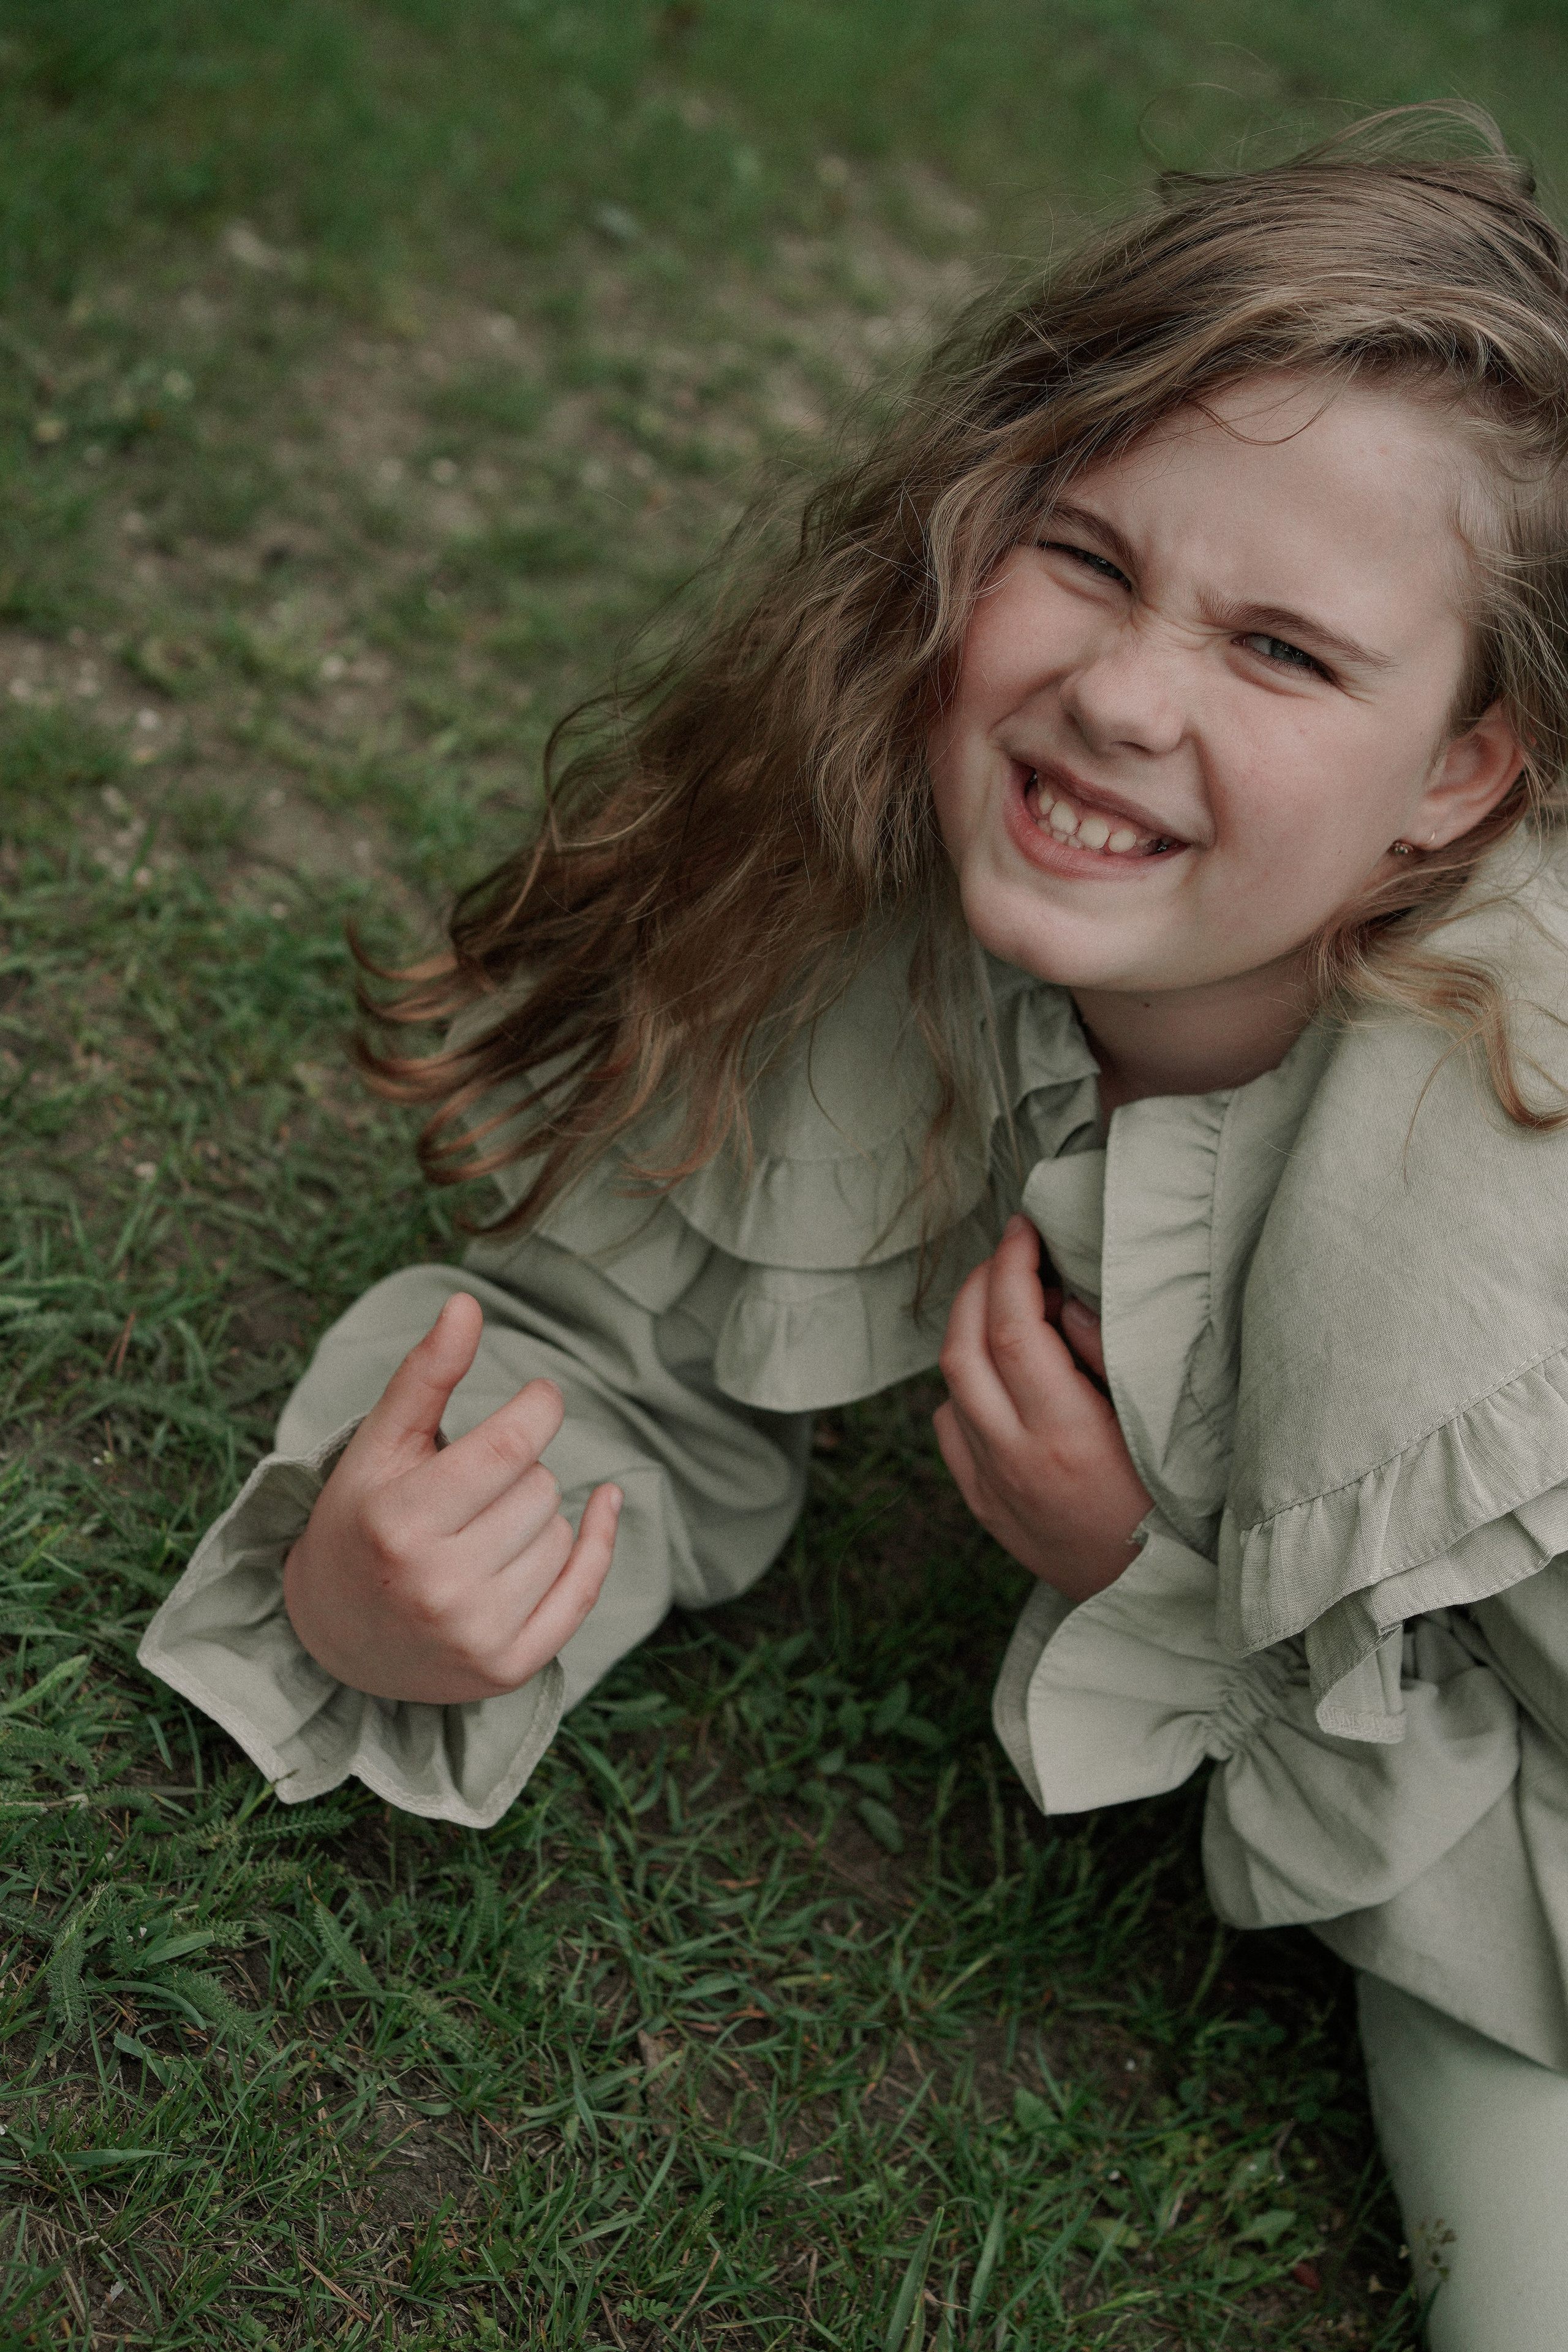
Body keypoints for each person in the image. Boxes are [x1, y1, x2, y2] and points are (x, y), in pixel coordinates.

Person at [141, 110, 1568, 2347]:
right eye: (1089, 558)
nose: (1120, 691)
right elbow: (615, 1346)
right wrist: (371, 1570)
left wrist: (1155, 1591)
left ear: (1468, 772)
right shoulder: (948, 871)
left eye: (1286, 652)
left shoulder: (1517, 1210)